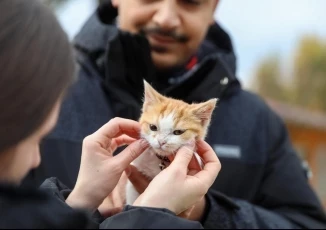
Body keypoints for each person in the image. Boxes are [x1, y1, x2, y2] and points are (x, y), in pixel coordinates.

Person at [22, 0, 326, 229]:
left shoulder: (259, 120)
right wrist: (76, 205)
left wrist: (205, 211)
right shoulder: (40, 85)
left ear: (214, 6)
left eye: (190, 0)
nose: (166, 18)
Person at [0, 0, 221, 228]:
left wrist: (79, 201)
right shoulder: (60, 75)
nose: (165, 18)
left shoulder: (251, 113)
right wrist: (149, 216)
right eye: (35, 138)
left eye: (190, 2)